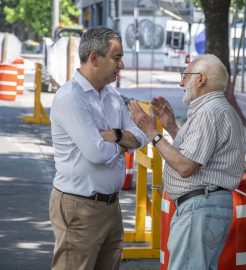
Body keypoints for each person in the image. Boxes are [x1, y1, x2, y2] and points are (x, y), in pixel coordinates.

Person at [128, 54, 246, 269]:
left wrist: (151, 132)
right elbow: (198, 152)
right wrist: (171, 126)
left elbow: (186, 166)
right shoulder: (214, 109)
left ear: (201, 79)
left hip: (200, 207)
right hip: (204, 206)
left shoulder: (209, 112)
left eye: (185, 76)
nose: (181, 83)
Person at [49, 27, 149, 270]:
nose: (121, 65)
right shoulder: (71, 98)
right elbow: (96, 154)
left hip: (111, 206)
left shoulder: (112, 96)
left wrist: (113, 135)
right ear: (94, 58)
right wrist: (123, 144)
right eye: (116, 57)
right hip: (80, 207)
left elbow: (141, 137)